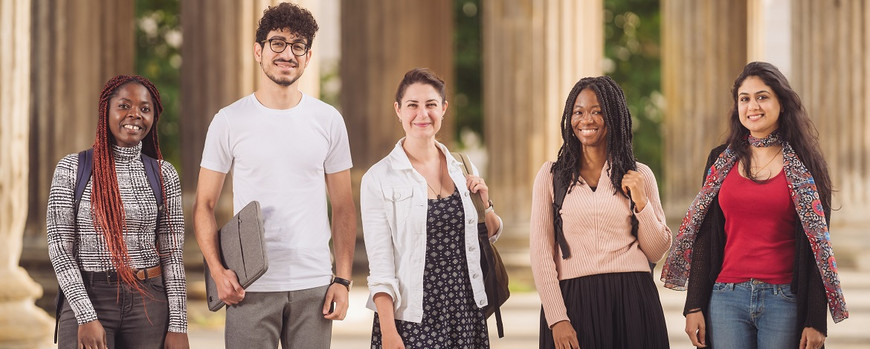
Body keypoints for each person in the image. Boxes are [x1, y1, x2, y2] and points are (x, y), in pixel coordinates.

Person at [193, 2, 356, 348]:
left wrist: (342, 279)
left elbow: (343, 206)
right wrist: (218, 272)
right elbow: (204, 204)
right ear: (259, 50)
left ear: (308, 56)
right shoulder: (228, 121)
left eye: (298, 46)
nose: (287, 53)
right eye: (277, 43)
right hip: (249, 286)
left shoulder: (328, 120)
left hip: (314, 285)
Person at [662, 61, 849, 349]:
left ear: (781, 103)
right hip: (725, 298)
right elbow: (705, 235)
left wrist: (815, 319)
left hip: (784, 301)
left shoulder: (805, 165)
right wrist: (694, 305)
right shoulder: (720, 160)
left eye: (762, 97)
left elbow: (818, 250)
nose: (753, 106)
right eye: (744, 99)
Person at [360, 68, 505, 349]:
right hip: (412, 320)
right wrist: (389, 333)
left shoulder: (463, 166)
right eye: (412, 105)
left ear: (444, 109)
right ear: (398, 110)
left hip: (465, 312)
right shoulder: (378, 179)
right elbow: (380, 268)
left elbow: (486, 236)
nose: (422, 114)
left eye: (431, 105)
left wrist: (486, 206)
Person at [529, 76, 672, 349]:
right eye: (579, 112)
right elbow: (541, 253)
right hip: (574, 301)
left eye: (597, 111)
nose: (587, 120)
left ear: (614, 116)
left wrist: (642, 203)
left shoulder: (640, 175)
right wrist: (557, 318)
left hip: (633, 299)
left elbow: (655, 251)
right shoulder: (551, 176)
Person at [47, 75, 189, 349]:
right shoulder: (71, 169)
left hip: (149, 301)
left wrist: (179, 325)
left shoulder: (164, 174)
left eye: (145, 109)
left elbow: (172, 254)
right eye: (124, 106)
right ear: (106, 111)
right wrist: (86, 316)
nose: (135, 114)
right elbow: (60, 249)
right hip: (89, 295)